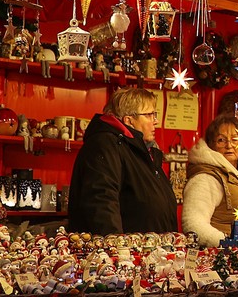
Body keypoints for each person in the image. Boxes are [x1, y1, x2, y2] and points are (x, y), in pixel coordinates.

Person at [67, 87, 177, 235]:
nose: (155, 121)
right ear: (129, 120)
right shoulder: (106, 145)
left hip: (153, 247)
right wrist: (116, 244)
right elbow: (102, 202)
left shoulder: (142, 151)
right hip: (125, 247)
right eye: (149, 115)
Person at [181, 113, 238, 247]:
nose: (229, 145)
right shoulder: (206, 178)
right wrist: (231, 244)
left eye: (235, 139)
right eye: (221, 140)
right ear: (211, 145)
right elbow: (193, 225)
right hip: (227, 257)